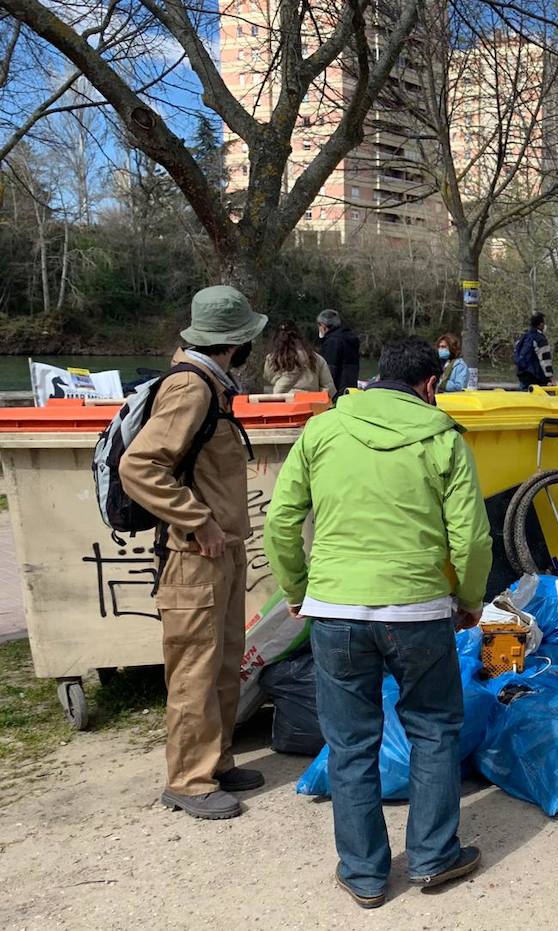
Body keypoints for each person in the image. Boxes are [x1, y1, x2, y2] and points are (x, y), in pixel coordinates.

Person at [264, 336, 493, 908]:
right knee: (434, 729)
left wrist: (298, 591)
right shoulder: (444, 439)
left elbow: (280, 522)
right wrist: (467, 600)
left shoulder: (322, 430)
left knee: (349, 742)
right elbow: (472, 537)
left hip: (335, 611)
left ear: (372, 378)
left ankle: (365, 874)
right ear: (431, 385)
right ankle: (434, 857)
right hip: (418, 610)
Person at [120, 285, 267, 821]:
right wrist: (197, 520)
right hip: (193, 553)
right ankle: (188, 779)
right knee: (195, 670)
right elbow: (139, 467)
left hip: (217, 550)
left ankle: (216, 761)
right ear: (237, 342)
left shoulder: (209, 383)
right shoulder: (192, 388)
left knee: (225, 662)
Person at [264, 322, 336, 395]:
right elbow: (329, 388)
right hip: (310, 402)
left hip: (282, 402)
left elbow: (268, 381)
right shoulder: (316, 358)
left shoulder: (271, 359)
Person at [317, 309, 361, 399]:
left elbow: (329, 371)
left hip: (337, 393)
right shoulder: (350, 339)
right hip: (350, 390)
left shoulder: (332, 342)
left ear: (323, 326)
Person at [515, 314, 554, 389]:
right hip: (536, 377)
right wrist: (551, 378)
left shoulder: (524, 336)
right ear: (541, 324)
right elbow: (545, 360)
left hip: (523, 374)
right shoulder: (540, 339)